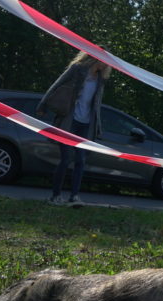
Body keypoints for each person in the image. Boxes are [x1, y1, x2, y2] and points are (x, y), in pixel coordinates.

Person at [36, 51, 111, 207]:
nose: (106, 64)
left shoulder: (100, 79)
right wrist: (43, 104)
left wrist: (97, 127)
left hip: (86, 124)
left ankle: (74, 196)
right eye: (104, 60)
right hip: (69, 121)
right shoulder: (77, 69)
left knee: (80, 160)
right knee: (66, 159)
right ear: (96, 57)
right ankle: (55, 196)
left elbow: (96, 105)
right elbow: (57, 84)